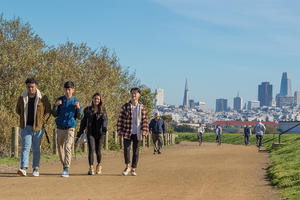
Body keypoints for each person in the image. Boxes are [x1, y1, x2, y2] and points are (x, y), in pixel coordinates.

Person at [16, 78, 51, 177]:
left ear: (36, 86)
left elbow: (48, 110)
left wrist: (43, 121)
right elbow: (17, 110)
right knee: (25, 147)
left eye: (32, 87)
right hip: (26, 126)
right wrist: (23, 118)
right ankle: (23, 168)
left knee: (36, 148)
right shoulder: (22, 97)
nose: (30, 89)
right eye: (28, 87)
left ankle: (36, 168)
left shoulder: (43, 97)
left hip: (38, 128)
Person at [52, 81, 83, 177]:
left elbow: (80, 116)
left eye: (69, 89)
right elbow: (54, 114)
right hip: (60, 127)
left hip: (70, 127)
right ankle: (64, 165)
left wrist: (78, 108)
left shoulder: (76, 101)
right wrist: (56, 106)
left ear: (73, 90)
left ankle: (66, 168)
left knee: (67, 146)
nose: (67, 91)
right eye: (66, 89)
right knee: (60, 148)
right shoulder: (60, 100)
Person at [117, 87, 148, 176]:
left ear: (139, 95)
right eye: (132, 93)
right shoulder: (125, 106)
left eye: (136, 93)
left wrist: (144, 132)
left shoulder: (142, 107)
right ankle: (127, 167)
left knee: (136, 151)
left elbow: (145, 120)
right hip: (127, 131)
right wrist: (119, 131)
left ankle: (133, 168)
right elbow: (120, 119)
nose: (134, 95)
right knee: (126, 149)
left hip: (138, 133)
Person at [76, 93, 108, 175]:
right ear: (92, 99)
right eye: (95, 98)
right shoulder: (87, 110)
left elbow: (105, 120)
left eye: (98, 99)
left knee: (98, 151)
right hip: (90, 133)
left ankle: (99, 165)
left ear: (100, 100)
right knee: (91, 150)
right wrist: (79, 133)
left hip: (100, 133)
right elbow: (83, 123)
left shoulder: (103, 110)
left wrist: (104, 128)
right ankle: (91, 167)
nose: (96, 100)